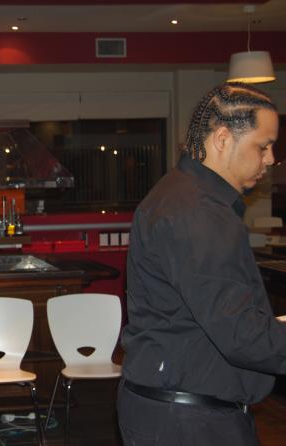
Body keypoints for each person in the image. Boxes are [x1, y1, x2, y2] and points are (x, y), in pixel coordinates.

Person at [118, 82, 286, 445]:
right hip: (188, 420)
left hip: (176, 409)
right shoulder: (198, 211)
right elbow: (241, 335)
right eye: (263, 146)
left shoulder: (184, 195)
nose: (271, 158)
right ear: (223, 138)